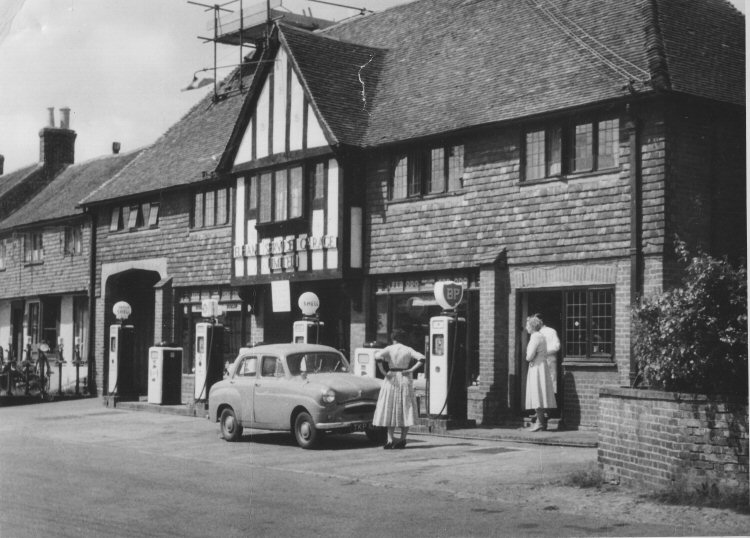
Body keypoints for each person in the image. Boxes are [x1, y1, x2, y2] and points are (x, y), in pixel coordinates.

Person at [372, 328, 425, 449]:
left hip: (391, 378)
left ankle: (390, 439)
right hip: (405, 378)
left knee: (390, 407)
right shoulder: (408, 349)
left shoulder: (390, 348)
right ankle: (402, 439)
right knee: (405, 408)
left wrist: (383, 371)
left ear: (393, 338)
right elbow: (422, 358)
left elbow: (377, 356)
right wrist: (411, 370)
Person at [525, 315, 556, 432]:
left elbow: (529, 356)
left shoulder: (534, 337)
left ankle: (540, 422)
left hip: (536, 367)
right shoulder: (541, 336)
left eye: (527, 325)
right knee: (540, 393)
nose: (526, 327)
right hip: (541, 366)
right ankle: (542, 422)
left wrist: (528, 357)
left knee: (537, 393)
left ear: (532, 326)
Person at [536, 314, 560, 394]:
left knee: (550, 382)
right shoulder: (536, 333)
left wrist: (544, 352)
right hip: (540, 361)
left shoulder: (551, 331)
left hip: (549, 360)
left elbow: (557, 346)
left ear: (541, 321)